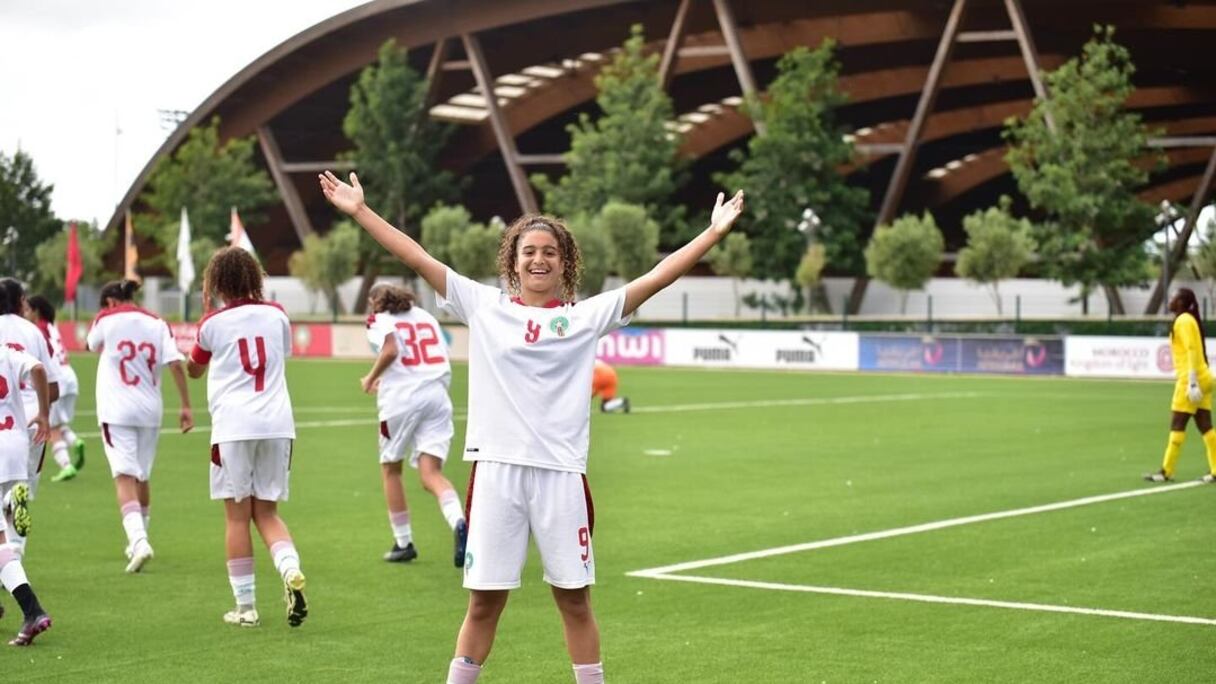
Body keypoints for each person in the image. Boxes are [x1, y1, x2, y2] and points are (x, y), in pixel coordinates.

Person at [320, 169, 743, 684]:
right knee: (483, 604)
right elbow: (417, 257)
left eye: (549, 252)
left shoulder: (586, 316)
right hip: (496, 474)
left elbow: (656, 278)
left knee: (575, 601)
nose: (539, 259)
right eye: (529, 252)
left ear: (565, 263)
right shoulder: (484, 306)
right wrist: (361, 211)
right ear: (513, 261)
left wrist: (712, 233)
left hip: (561, 476)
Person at [187, 246, 308, 628]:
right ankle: (290, 570)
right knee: (268, 513)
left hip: (234, 427)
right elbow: (280, 354)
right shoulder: (278, 315)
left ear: (217, 282)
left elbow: (194, 368)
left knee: (237, 518)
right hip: (277, 424)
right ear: (255, 277)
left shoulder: (212, 323)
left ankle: (246, 607)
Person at [86, 279, 193, 572]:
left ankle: (139, 540)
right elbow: (175, 363)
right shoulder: (158, 323)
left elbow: (91, 344)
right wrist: (185, 405)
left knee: (124, 476)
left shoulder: (106, 319)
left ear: (110, 302)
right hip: (150, 410)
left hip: (116, 410)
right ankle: (139, 536)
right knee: (142, 476)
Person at [361, 283, 467, 565]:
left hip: (402, 400)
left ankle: (403, 542)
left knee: (390, 468)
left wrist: (371, 378)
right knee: (431, 473)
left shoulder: (378, 319)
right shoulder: (425, 316)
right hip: (437, 396)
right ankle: (458, 521)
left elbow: (390, 350)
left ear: (375, 301)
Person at [0, 278, 59, 554]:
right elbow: (52, 385)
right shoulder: (33, 332)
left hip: (4, 415)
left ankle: (8, 556)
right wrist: (44, 412)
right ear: (20, 301)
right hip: (33, 419)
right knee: (20, 487)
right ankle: (15, 550)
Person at [0, 345, 53, 645]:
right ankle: (11, 501)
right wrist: (43, 414)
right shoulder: (6, 351)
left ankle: (32, 611)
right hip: (16, 445)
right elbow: (39, 369)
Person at [1145, 287, 1216, 483]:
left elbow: (1192, 349)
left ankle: (1166, 471)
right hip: (1204, 377)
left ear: (1182, 302)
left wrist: (1192, 381)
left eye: (1174, 297)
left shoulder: (1183, 320)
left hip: (1190, 379)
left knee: (1177, 424)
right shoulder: (1189, 320)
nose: (1170, 300)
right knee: (1205, 426)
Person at [26, 295, 86, 482]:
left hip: (56, 378)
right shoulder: (52, 326)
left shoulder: (37, 329)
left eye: (28, 309)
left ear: (35, 311)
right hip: (69, 374)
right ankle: (75, 441)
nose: (25, 313)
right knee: (57, 422)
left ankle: (66, 466)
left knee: (51, 427)